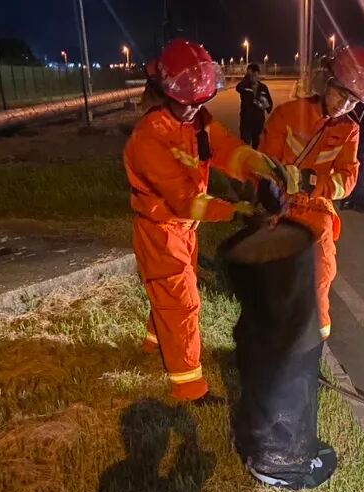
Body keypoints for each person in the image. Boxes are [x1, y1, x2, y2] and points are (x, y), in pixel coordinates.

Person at [123, 39, 277, 404]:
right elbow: (185, 200)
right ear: (163, 91)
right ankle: (189, 387)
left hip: (183, 232)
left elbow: (226, 150)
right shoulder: (148, 138)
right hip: (161, 233)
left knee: (170, 296)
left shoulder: (197, 122)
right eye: (187, 103)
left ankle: (155, 343)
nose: (195, 110)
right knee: (183, 304)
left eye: (200, 103)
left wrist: (260, 167)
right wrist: (236, 211)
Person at [260, 45, 364, 340]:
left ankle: (315, 343)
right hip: (281, 208)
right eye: (341, 94)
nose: (344, 105)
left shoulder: (350, 131)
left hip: (317, 211)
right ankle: (274, 337)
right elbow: (264, 163)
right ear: (327, 82)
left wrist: (313, 183)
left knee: (322, 274)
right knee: (278, 278)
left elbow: (348, 179)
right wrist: (270, 190)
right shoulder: (287, 115)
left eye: (353, 102)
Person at [341, 103, 364, 213]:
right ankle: (347, 196)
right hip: (349, 111)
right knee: (346, 156)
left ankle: (358, 198)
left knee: (362, 156)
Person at [236, 63, 273, 148]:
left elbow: (269, 106)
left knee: (257, 148)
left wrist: (266, 105)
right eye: (250, 75)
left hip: (259, 123)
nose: (252, 77)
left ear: (258, 74)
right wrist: (246, 78)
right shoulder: (244, 87)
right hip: (246, 123)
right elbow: (238, 88)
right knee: (245, 147)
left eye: (254, 74)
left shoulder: (263, 88)